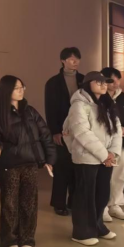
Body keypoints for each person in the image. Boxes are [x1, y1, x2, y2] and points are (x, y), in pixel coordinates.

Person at [0, 75, 56, 247]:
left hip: (30, 163)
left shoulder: (30, 111)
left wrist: (49, 159)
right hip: (9, 164)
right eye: (17, 88)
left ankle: (27, 239)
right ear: (6, 91)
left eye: (22, 87)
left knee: (29, 203)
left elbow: (45, 134)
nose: (21, 90)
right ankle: (10, 240)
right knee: (9, 203)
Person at [63, 71, 122, 246]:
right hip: (86, 158)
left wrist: (113, 153)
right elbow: (82, 132)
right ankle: (82, 232)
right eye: (99, 82)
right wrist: (104, 155)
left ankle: (97, 226)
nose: (104, 85)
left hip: (106, 158)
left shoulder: (107, 104)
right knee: (85, 196)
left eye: (105, 82)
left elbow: (116, 129)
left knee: (102, 194)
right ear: (88, 84)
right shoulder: (78, 105)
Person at [45, 47, 84, 216]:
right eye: (71, 59)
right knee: (61, 167)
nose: (75, 62)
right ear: (63, 61)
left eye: (77, 59)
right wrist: (55, 131)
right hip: (61, 129)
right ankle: (58, 202)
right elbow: (50, 109)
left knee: (78, 166)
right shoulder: (53, 82)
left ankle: (74, 201)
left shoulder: (84, 80)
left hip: (80, 129)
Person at [100, 67, 124, 222]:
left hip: (121, 142)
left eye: (118, 80)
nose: (116, 84)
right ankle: (102, 207)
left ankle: (115, 204)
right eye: (112, 80)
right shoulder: (99, 98)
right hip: (103, 143)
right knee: (104, 175)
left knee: (120, 174)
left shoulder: (123, 98)